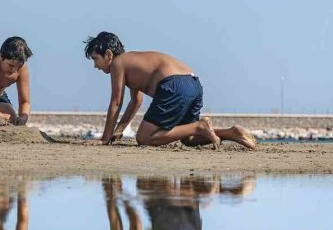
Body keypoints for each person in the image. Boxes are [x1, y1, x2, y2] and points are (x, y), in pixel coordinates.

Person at [83, 32, 256, 149]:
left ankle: (201, 126)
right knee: (188, 139)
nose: (95, 66)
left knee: (144, 138)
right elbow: (137, 101)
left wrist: (104, 138)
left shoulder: (118, 63)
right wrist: (120, 129)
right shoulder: (132, 62)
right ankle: (231, 132)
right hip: (193, 83)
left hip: (173, 85)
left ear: (108, 54)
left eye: (95, 59)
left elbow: (116, 102)